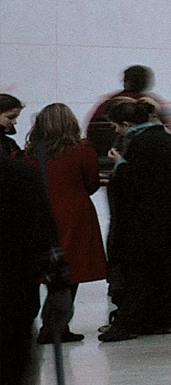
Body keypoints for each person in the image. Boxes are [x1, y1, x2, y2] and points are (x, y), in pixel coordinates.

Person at [98, 100, 171, 341]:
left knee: (140, 274)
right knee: (159, 271)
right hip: (161, 220)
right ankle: (157, 320)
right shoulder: (164, 139)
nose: (115, 131)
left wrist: (119, 165)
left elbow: (136, 184)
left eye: (116, 126)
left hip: (142, 223)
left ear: (126, 124)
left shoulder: (143, 144)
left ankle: (130, 322)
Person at [22, 104, 106, 339]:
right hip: (76, 214)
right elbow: (91, 185)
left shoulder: (29, 153)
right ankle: (57, 326)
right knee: (71, 271)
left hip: (42, 213)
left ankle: (50, 325)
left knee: (47, 270)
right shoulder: (82, 150)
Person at [0, 148, 59, 385]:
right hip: (12, 288)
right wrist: (58, 282)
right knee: (12, 358)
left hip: (12, 287)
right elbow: (44, 233)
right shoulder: (19, 174)